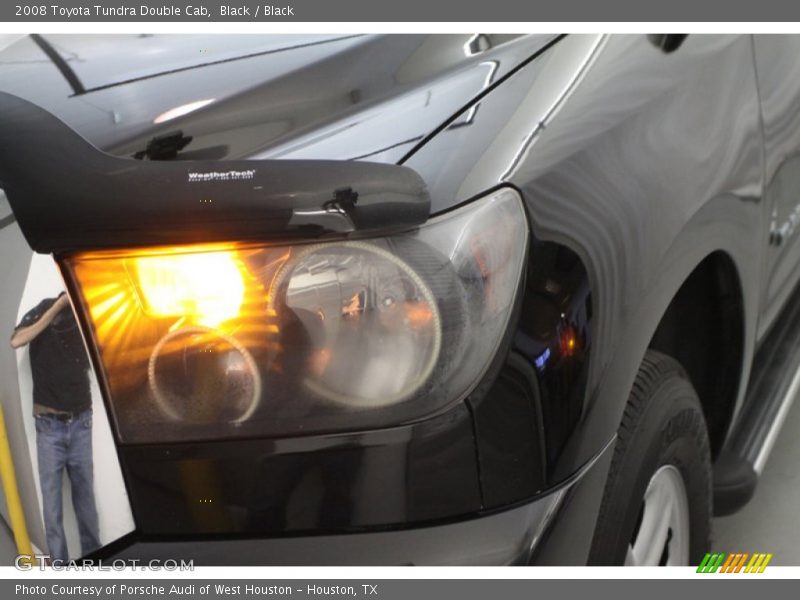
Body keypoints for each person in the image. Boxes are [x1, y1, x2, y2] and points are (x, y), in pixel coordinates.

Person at [10, 292, 100, 562]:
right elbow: (17, 340)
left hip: (81, 422)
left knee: (86, 503)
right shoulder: (45, 305)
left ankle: (95, 563)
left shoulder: (86, 315)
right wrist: (58, 306)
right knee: (52, 507)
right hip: (49, 426)